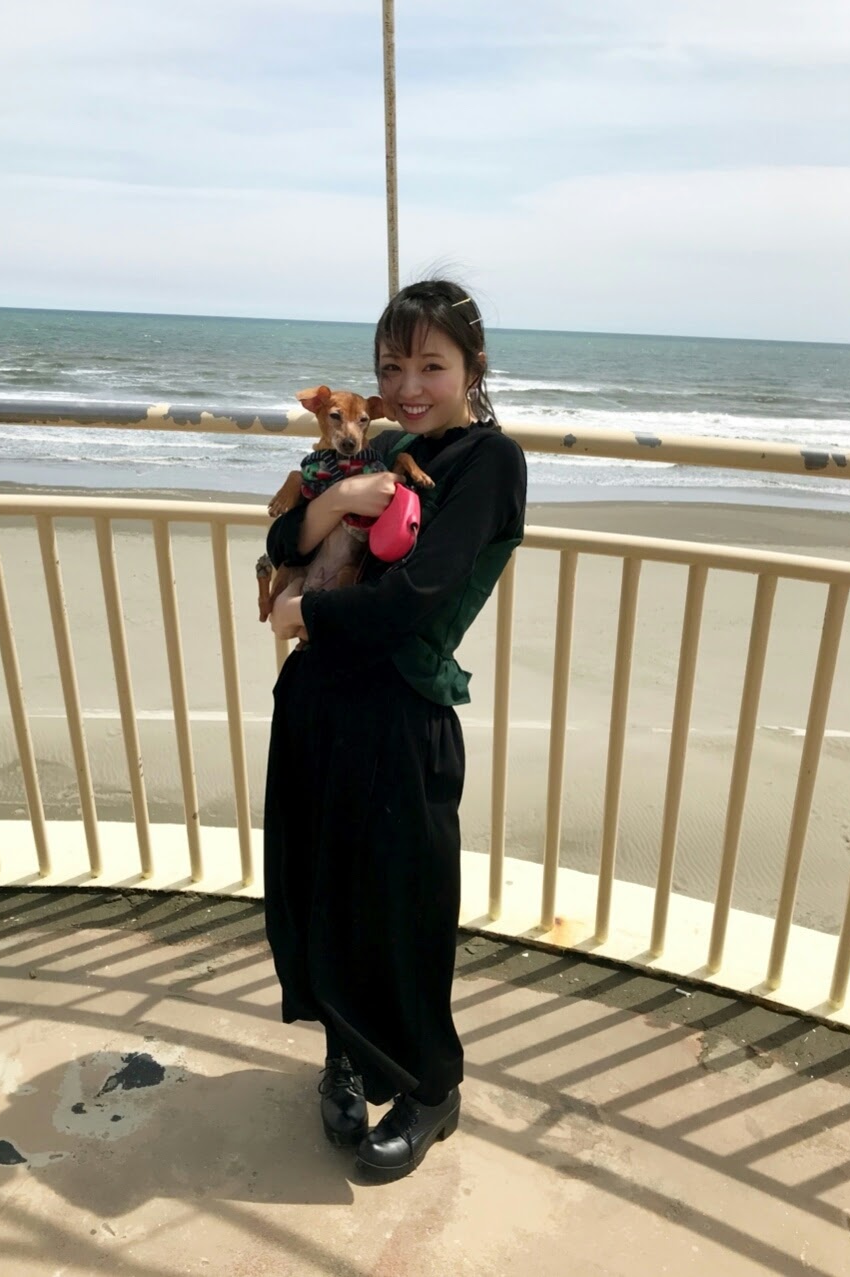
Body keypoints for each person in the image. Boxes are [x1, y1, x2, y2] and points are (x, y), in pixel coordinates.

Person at [263, 278, 527, 1181]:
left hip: (400, 711)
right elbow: (281, 543)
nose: (409, 386)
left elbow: (419, 596)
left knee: (406, 906)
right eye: (390, 367)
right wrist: (329, 508)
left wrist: (306, 613)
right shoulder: (378, 447)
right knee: (322, 890)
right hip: (317, 702)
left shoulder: (490, 463)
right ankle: (341, 1056)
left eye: (430, 365)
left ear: (471, 367)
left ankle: (430, 1086)